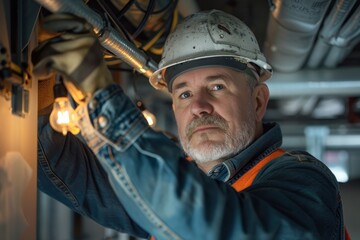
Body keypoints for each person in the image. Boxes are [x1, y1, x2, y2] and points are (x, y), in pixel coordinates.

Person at [32, 9, 346, 239]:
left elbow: (221, 226)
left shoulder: (303, 177)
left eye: (217, 87)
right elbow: (60, 169)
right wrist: (41, 95)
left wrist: (100, 92)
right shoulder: (167, 181)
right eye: (184, 93)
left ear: (258, 101)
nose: (198, 107)